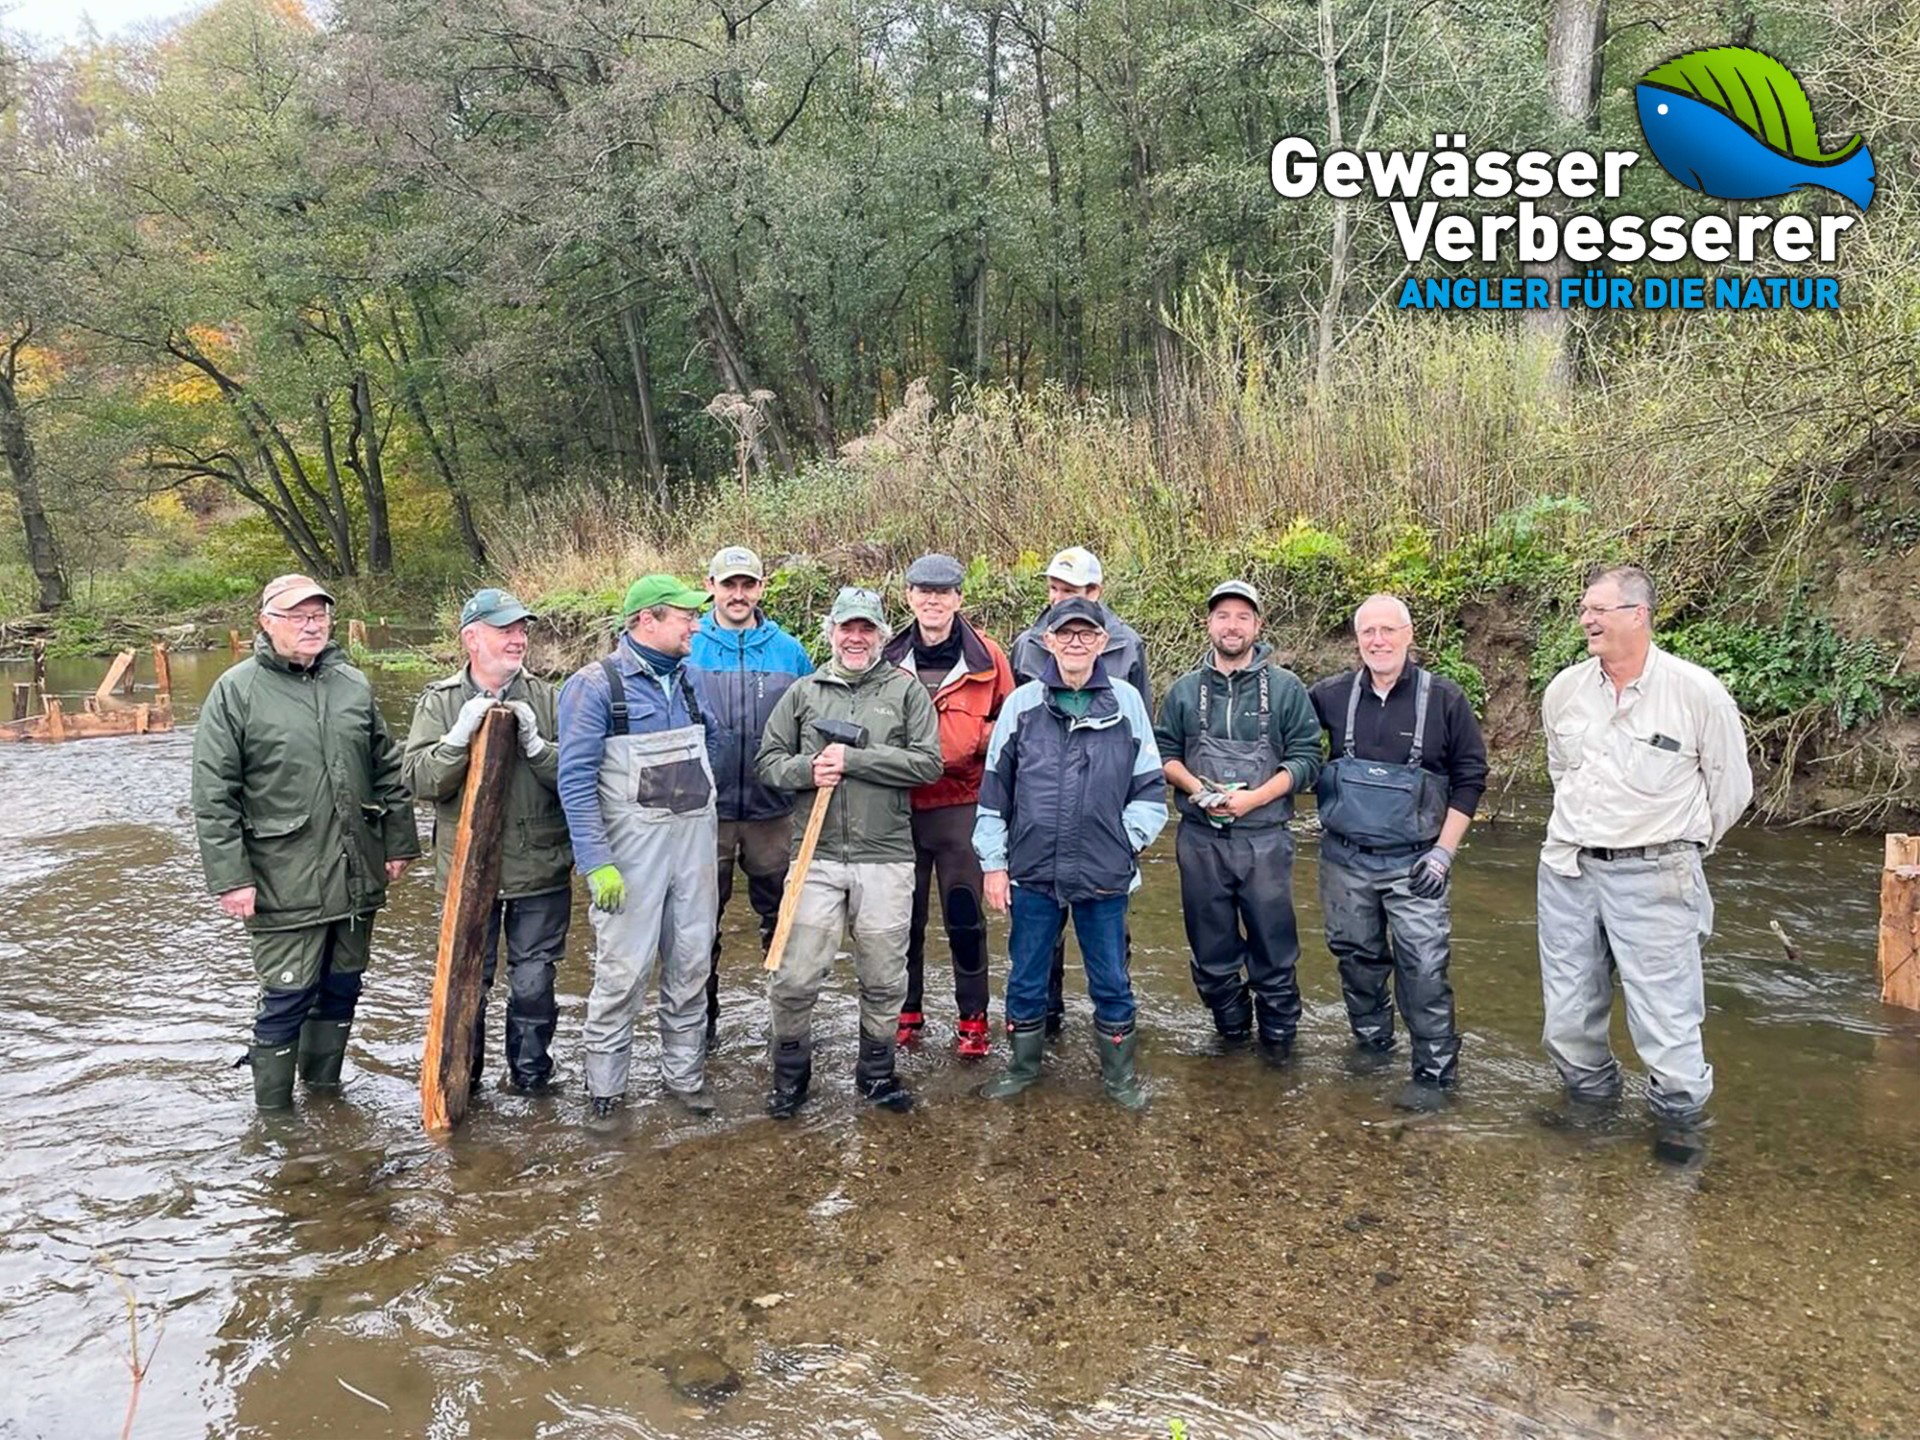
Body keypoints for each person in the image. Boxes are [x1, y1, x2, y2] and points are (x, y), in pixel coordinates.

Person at [1538, 565, 1752, 1162]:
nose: (1586, 619)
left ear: (1638, 614)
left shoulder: (1696, 692)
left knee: (1666, 1020)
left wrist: (1680, 850)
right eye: (1584, 609)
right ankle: (1590, 1109)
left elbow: (1730, 790)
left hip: (1658, 873)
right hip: (1568, 870)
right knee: (1567, 1016)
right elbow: (1560, 772)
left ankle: (1678, 1129)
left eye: (1599, 609)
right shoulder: (1563, 691)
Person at [191, 574, 420, 1110]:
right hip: (280, 875)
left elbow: (386, 769)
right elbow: (213, 794)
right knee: (287, 995)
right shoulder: (236, 690)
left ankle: (325, 1094)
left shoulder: (352, 684)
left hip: (354, 869)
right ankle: (274, 1118)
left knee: (342, 988)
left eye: (319, 614)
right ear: (267, 624)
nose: (312, 624)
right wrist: (232, 878)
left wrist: (398, 843)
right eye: (297, 616)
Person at [754, 586, 943, 1118]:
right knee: (794, 977)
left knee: (884, 976)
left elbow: (928, 764)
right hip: (814, 856)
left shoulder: (905, 692)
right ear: (831, 632)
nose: (855, 638)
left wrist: (855, 760)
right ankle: (790, 1077)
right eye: (846, 628)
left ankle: (877, 1075)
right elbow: (767, 762)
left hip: (885, 856)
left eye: (866, 629)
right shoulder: (803, 692)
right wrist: (806, 771)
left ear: (882, 634)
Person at [974, 597, 1168, 1109]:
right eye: (1066, 634)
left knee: (1111, 977)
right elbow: (994, 792)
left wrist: (1128, 841)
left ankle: (1120, 1078)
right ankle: (1021, 1068)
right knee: (1025, 973)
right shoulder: (1021, 705)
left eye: (1087, 634)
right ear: (1048, 642)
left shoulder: (1127, 704)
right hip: (1032, 869)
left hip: (1104, 872)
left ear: (1104, 643)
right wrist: (994, 863)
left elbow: (1150, 791)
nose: (1076, 642)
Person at [1309, 593, 1488, 1110]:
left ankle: (1434, 1073)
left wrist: (1443, 854)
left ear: (1409, 635)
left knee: (1425, 968)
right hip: (1343, 859)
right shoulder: (1328, 696)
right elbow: (1288, 743)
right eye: (1369, 632)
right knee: (1356, 960)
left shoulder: (1447, 699)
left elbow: (1470, 778)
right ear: (1357, 640)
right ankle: (1372, 1045)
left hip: (1416, 862)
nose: (1379, 641)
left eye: (1389, 630)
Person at [557, 575, 720, 1118]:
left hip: (693, 849)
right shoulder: (595, 685)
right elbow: (575, 780)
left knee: (692, 967)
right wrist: (597, 862)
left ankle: (685, 1081)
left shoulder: (691, 680)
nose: (695, 625)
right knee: (623, 975)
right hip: (629, 856)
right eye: (685, 616)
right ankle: (606, 1094)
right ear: (647, 620)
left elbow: (711, 744)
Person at [403, 587, 571, 1093]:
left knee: (535, 982)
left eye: (522, 630)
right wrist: (457, 740)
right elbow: (418, 779)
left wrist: (538, 748)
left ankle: (532, 1082)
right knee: (467, 983)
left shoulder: (550, 697)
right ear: (471, 638)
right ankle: (462, 1084)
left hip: (539, 869)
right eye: (505, 630)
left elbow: (579, 776)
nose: (518, 639)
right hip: (465, 874)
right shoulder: (440, 701)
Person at [1155, 580, 1321, 1066]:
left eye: (1242, 617)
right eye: (1222, 616)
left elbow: (1309, 758)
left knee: (1274, 951)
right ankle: (1229, 1042)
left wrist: (1255, 800)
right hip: (1200, 840)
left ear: (1257, 626)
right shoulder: (1184, 691)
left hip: (1265, 840)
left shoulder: (1288, 689)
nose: (1232, 626)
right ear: (1209, 624)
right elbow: (1163, 752)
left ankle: (1278, 1052)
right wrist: (1196, 789)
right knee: (1211, 952)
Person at [1006, 545, 1151, 1035]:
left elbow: (1140, 742)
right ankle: (1043, 1024)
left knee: (1110, 946)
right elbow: (1014, 736)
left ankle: (1111, 1032)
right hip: (1040, 828)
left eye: (1071, 591)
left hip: (1101, 832)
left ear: (1097, 592)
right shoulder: (1027, 642)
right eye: (1054, 588)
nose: (1060, 598)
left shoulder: (1128, 645)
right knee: (1036, 944)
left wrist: (1128, 836)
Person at [879, 553, 1015, 1056]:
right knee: (903, 918)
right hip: (899, 806)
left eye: (943, 592)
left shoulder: (989, 657)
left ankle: (973, 1019)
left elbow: (1012, 725)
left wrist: (975, 739)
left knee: (964, 914)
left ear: (959, 598)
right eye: (923, 592)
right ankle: (907, 1011)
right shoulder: (887, 655)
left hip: (963, 803)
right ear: (908, 597)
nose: (933, 601)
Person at [688, 545, 813, 1040]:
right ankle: (702, 1023)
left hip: (773, 810)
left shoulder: (791, 651)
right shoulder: (688, 644)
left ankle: (786, 1023)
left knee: (781, 920)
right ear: (711, 587)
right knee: (699, 924)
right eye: (728, 584)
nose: (738, 594)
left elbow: (809, 726)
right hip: (704, 811)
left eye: (748, 584)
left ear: (762, 588)